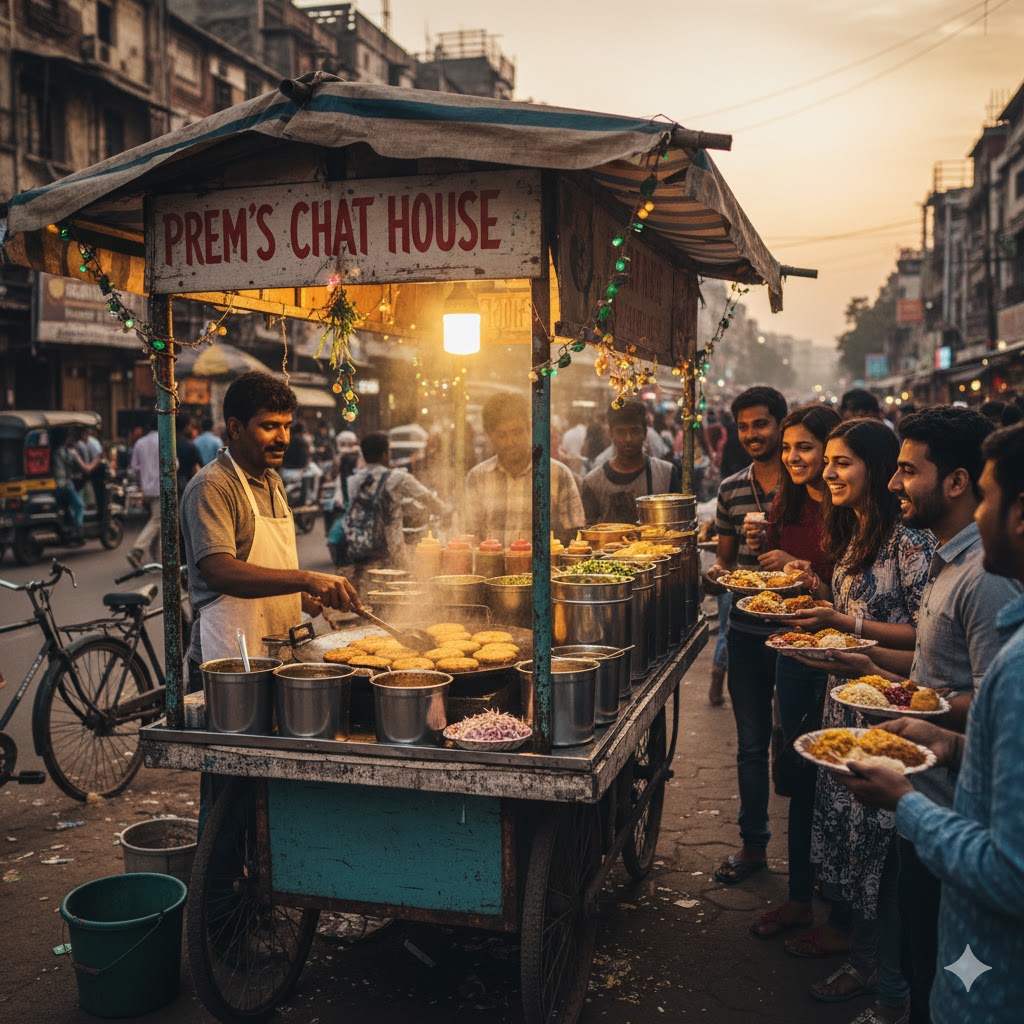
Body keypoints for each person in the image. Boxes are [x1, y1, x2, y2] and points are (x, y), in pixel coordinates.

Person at [804, 406, 1019, 1024]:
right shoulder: (954, 564)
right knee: (923, 945)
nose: (894, 484)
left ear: (957, 483)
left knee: (936, 959)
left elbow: (990, 708)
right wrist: (915, 714)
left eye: (989, 498)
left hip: (949, 808)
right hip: (932, 782)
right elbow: (935, 675)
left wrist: (913, 788)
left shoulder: (985, 581)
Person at [782, 419, 935, 1020]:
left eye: (843, 462)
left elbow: (925, 636)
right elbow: (853, 609)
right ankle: (867, 959)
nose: (828, 472)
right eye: (830, 462)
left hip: (890, 718)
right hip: (846, 702)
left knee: (885, 857)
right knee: (858, 849)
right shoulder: (855, 532)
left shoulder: (910, 542)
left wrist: (850, 630)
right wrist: (820, 604)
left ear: (874, 466)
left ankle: (885, 981)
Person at [180, 370, 360, 679]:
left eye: (287, 426)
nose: (283, 439)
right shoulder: (212, 486)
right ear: (235, 428)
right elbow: (218, 571)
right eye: (269, 427)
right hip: (228, 663)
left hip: (278, 653)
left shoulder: (273, 481)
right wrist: (305, 578)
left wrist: (305, 597)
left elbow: (267, 563)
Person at [744, 403, 842, 943]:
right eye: (789, 448)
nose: (794, 457)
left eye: (804, 447)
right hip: (794, 651)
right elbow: (785, 573)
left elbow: (850, 593)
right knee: (800, 770)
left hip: (843, 656)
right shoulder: (788, 499)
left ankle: (837, 896)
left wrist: (809, 578)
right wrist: (778, 565)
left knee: (838, 779)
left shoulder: (851, 508)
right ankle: (801, 895)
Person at [704, 385, 787, 880]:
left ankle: (814, 853)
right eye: (745, 426)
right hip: (746, 628)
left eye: (762, 424)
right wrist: (717, 576)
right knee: (751, 745)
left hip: (803, 632)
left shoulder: (807, 486)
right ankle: (753, 846)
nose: (753, 434)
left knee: (800, 744)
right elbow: (725, 562)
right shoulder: (731, 488)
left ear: (780, 424)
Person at [464, 392, 584, 546]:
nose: (510, 442)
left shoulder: (557, 474)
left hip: (547, 570)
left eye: (517, 432)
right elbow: (472, 535)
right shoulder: (477, 477)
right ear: (489, 434)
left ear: (529, 427)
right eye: (502, 435)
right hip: (492, 570)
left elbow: (575, 535)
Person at [337, 432, 451, 585]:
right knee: (395, 593)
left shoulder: (354, 480)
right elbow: (427, 497)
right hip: (390, 551)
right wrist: (446, 511)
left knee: (365, 592)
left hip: (360, 548)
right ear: (385, 454)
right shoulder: (397, 478)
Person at [580, 400, 681, 524]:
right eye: (621, 432)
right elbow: (588, 532)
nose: (628, 439)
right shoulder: (593, 482)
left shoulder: (667, 474)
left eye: (634, 431)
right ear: (611, 433)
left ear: (644, 433)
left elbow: (678, 525)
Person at [127, 418, 161, 567]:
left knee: (156, 521)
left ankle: (155, 557)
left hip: (146, 489)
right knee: (157, 521)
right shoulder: (165, 439)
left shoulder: (140, 443)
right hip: (160, 488)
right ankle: (137, 550)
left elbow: (133, 469)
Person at [51, 428, 89, 543]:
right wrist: (98, 459)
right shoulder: (70, 452)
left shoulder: (55, 451)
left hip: (56, 485)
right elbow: (86, 468)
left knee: (68, 506)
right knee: (79, 506)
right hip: (65, 485)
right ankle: (78, 531)